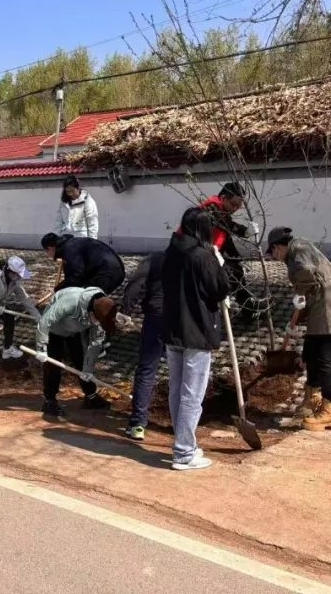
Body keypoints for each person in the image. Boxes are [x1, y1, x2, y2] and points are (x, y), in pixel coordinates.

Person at [265, 226, 331, 432]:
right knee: (311, 353)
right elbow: (310, 281)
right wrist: (299, 314)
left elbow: (306, 273)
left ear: (277, 247)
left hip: (328, 308)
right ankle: (312, 399)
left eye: (273, 254)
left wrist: (299, 292)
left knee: (324, 358)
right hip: (318, 307)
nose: (276, 259)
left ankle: (330, 410)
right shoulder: (297, 250)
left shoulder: (298, 248)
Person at [162, 207, 231, 471]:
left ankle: (184, 443)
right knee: (192, 393)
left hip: (173, 330)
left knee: (177, 390)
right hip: (197, 331)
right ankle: (183, 452)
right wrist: (219, 265)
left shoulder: (171, 252)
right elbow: (219, 289)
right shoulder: (203, 255)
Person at [33, 286, 119, 419]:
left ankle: (91, 396)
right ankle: (50, 400)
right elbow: (45, 322)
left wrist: (88, 369)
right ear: (91, 313)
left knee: (81, 359)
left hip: (73, 331)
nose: (98, 324)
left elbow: (95, 344)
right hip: (53, 330)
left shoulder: (101, 313)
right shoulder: (71, 301)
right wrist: (41, 348)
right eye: (98, 322)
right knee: (53, 364)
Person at [120, 251, 165, 441]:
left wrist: (126, 310)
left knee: (147, 369)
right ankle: (185, 426)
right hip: (184, 322)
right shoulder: (194, 259)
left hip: (156, 317)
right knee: (185, 374)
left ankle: (138, 424)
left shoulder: (154, 259)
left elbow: (136, 285)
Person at [198, 182, 259, 317]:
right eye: (234, 204)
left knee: (236, 271)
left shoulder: (222, 211)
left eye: (239, 206)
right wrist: (245, 231)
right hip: (197, 254)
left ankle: (248, 307)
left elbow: (225, 239)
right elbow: (226, 225)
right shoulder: (210, 208)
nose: (236, 209)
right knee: (224, 277)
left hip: (212, 252)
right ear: (224, 198)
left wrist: (237, 258)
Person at [40, 232, 125, 295]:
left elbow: (75, 277)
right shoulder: (70, 245)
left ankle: (111, 317)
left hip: (108, 272)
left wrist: (58, 290)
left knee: (88, 298)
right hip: (114, 268)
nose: (48, 255)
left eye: (46, 252)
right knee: (90, 296)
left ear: (50, 248)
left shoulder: (69, 249)